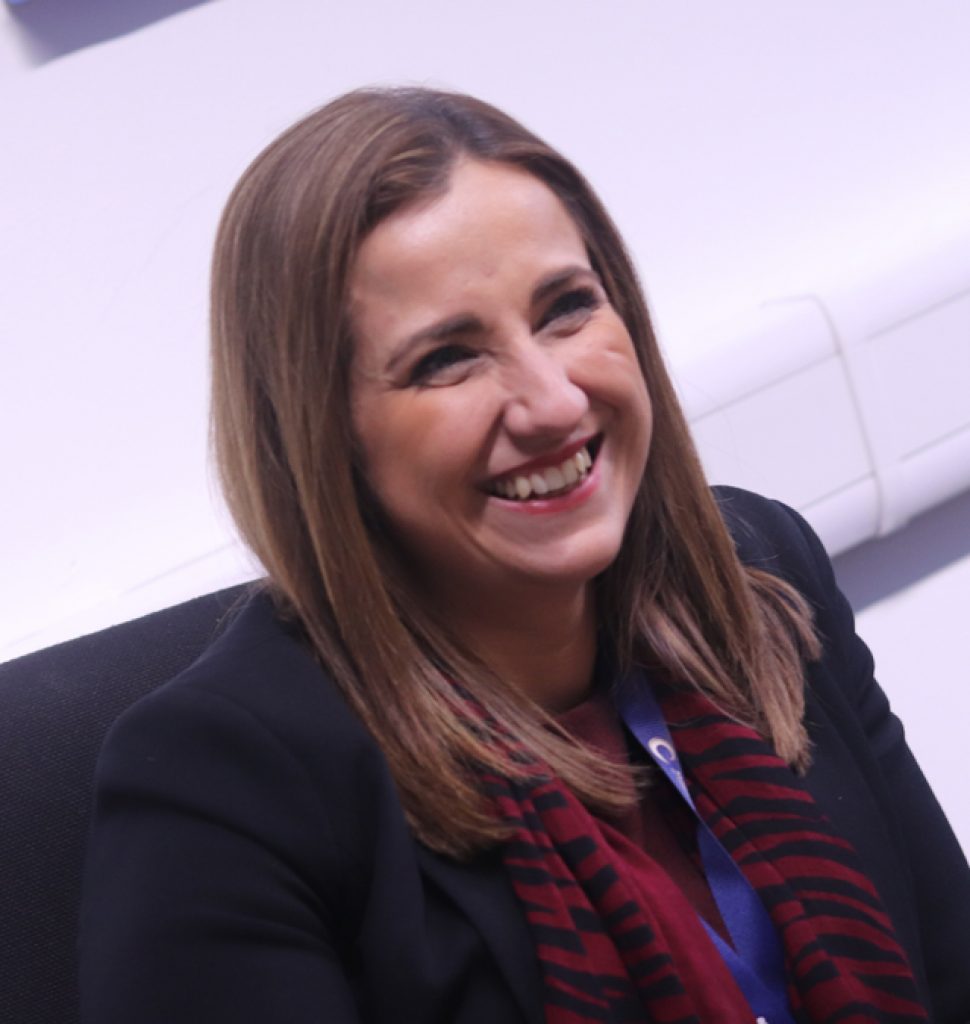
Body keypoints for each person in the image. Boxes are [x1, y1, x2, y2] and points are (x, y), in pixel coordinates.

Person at [78, 87, 970, 1023]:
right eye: (447, 359)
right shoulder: (225, 790)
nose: (553, 401)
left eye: (566, 309)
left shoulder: (760, 576)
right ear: (323, 438)